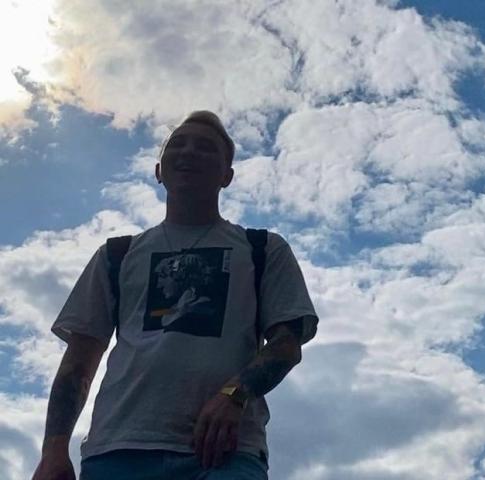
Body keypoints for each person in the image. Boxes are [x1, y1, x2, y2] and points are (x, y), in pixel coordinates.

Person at [31, 110, 320, 480]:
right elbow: (79, 361)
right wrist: (53, 450)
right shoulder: (116, 255)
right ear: (158, 170)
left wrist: (233, 395)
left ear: (227, 176)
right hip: (117, 452)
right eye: (178, 144)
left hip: (224, 455)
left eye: (206, 147)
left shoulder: (262, 249)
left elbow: (286, 344)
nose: (189, 151)